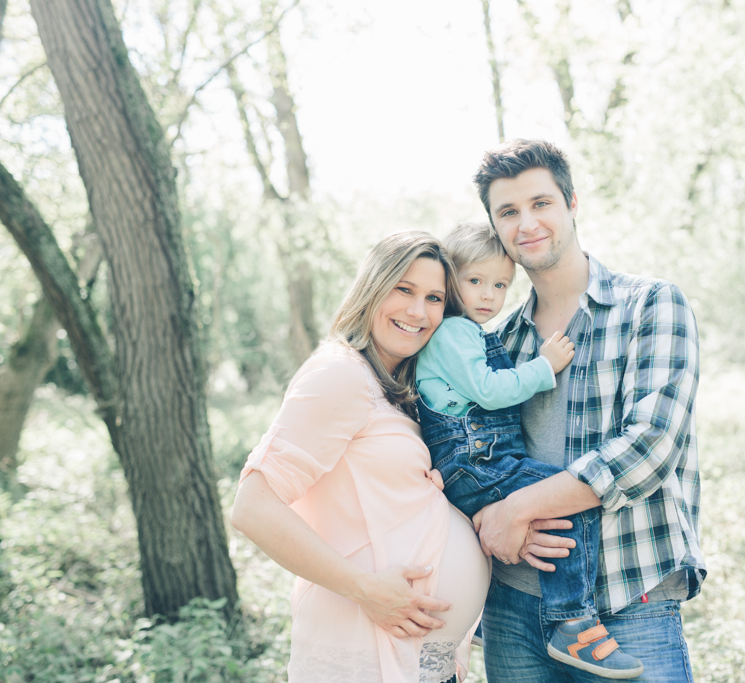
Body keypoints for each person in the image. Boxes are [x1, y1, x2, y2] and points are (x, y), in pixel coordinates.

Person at [468, 139, 707, 683]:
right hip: (514, 606)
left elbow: (649, 446)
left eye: (541, 203)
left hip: (629, 598)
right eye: (508, 212)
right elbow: (478, 454)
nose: (527, 222)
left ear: (572, 203)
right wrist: (494, 515)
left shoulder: (651, 305)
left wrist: (517, 508)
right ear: (495, 228)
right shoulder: (498, 343)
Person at [230, 231, 491, 683]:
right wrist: (365, 589)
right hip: (361, 658)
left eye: (434, 298)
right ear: (372, 288)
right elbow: (252, 507)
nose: (418, 311)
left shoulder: (398, 391)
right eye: (404, 289)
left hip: (422, 663)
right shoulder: (340, 373)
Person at [414, 221, 644, 679]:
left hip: (483, 460)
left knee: (544, 511)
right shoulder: (455, 333)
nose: (488, 295)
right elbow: (490, 389)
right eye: (474, 281)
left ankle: (482, 616)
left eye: (500, 284)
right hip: (476, 461)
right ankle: (571, 619)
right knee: (564, 494)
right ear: (449, 279)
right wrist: (545, 366)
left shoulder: (468, 332)